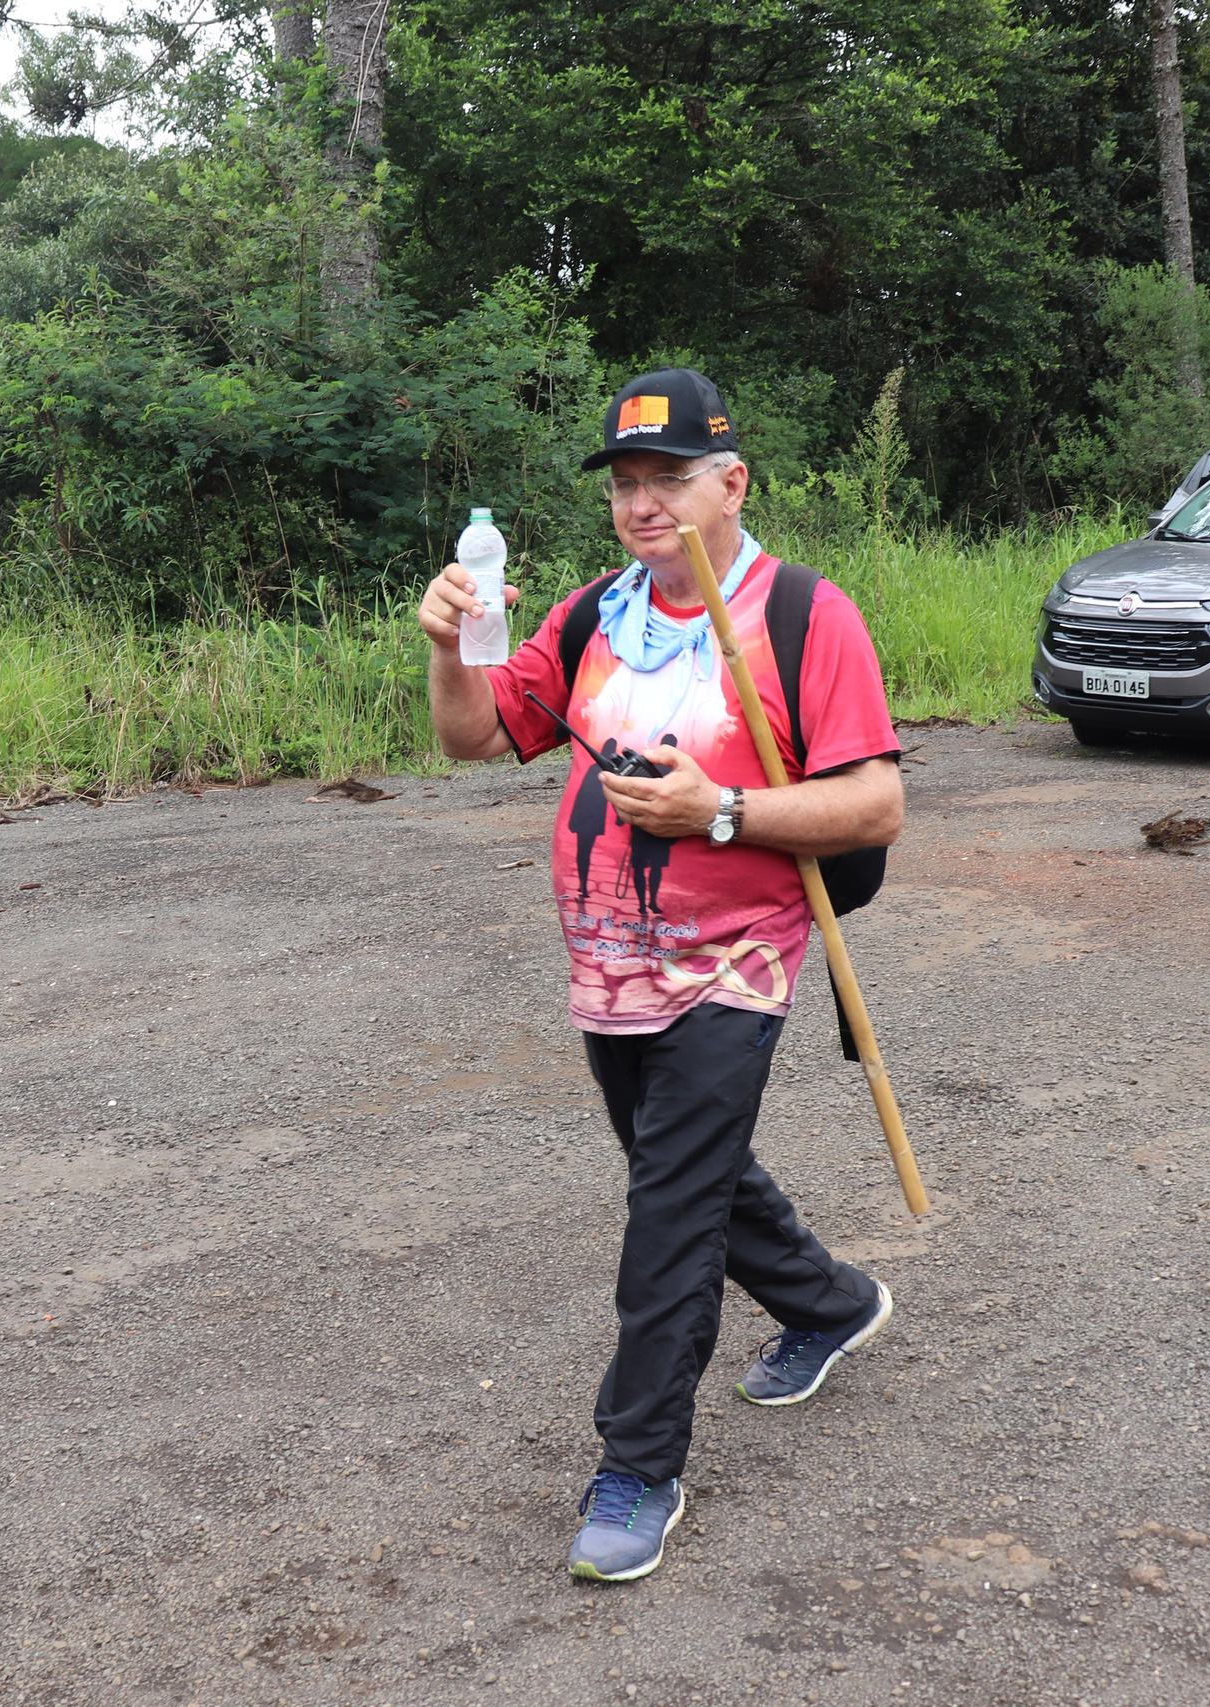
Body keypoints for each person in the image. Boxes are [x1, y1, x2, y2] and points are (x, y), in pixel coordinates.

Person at [418, 368, 905, 1583]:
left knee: (668, 1212)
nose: (644, 504)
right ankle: (830, 1304)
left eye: (669, 479)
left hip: (737, 958)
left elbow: (876, 798)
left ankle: (638, 1466)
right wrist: (447, 650)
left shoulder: (802, 614)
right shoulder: (592, 615)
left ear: (730, 483)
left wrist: (723, 809)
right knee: (681, 1167)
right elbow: (475, 735)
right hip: (608, 959)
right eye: (628, 484)